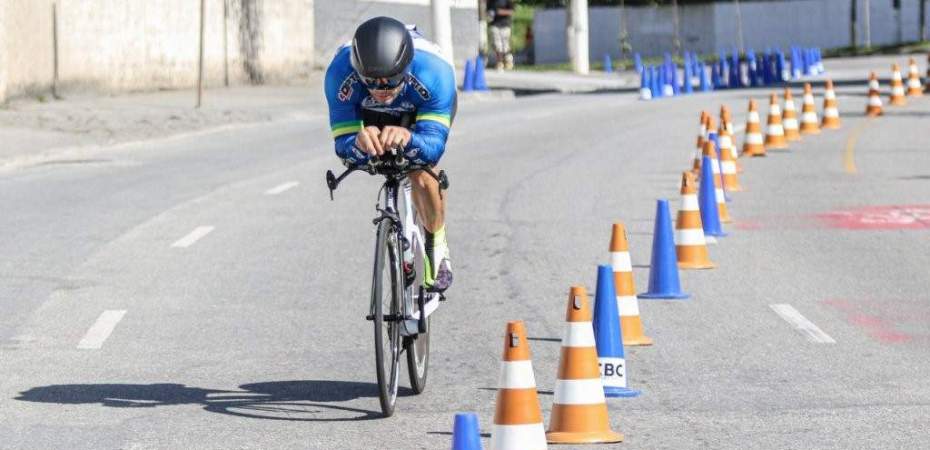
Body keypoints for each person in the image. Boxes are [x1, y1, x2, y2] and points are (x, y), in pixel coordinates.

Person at [323, 17, 456, 292]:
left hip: (419, 106)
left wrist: (410, 138)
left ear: (406, 67)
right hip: (368, 112)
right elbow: (343, 147)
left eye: (391, 80)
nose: (382, 89)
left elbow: (433, 145)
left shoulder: (434, 72)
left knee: (421, 171)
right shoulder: (339, 74)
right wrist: (358, 142)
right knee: (377, 154)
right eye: (371, 81)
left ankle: (436, 243)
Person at [487, 0, 515, 70]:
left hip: (505, 25)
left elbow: (511, 11)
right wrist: (489, 15)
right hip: (494, 25)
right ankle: (499, 62)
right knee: (497, 45)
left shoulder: (507, 1)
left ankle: (508, 61)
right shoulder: (490, 1)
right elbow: (488, 11)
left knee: (505, 46)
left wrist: (500, 12)